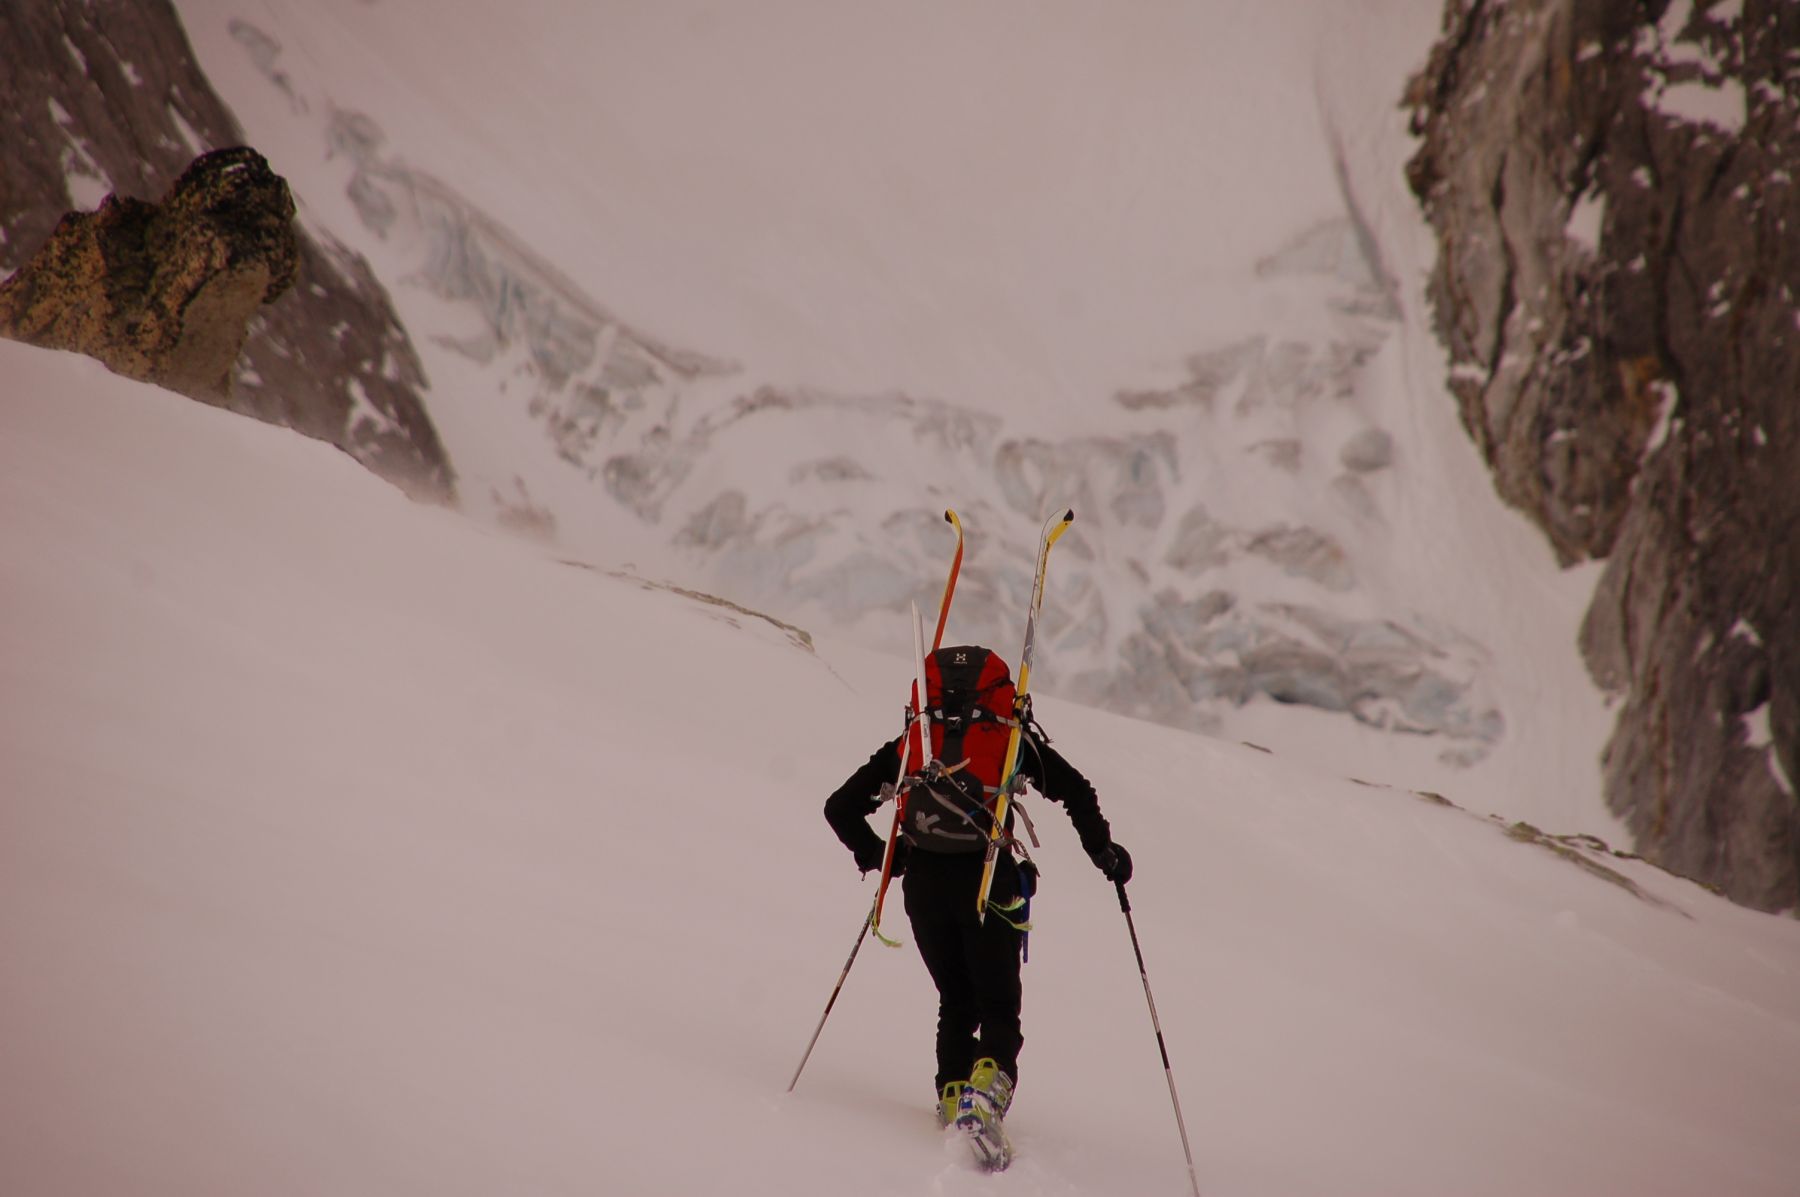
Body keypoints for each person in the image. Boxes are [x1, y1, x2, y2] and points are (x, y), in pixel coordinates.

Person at [822, 644, 1133, 1129]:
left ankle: (952, 1097)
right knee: (999, 1006)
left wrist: (888, 857)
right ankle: (985, 1099)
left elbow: (839, 807)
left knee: (957, 999)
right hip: (988, 880)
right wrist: (1105, 853)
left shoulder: (913, 744)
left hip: (924, 887)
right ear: (1000, 697)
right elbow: (1076, 791)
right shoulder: (1009, 741)